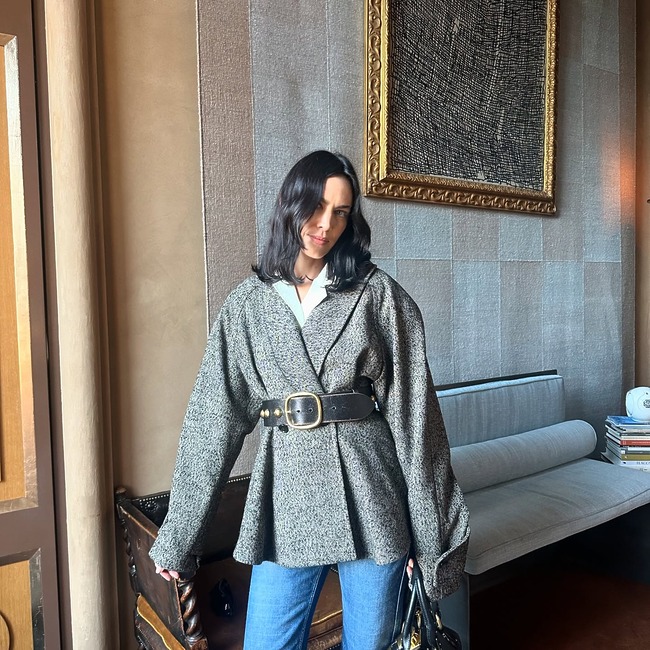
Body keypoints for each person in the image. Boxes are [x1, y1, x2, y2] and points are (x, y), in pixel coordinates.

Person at [149, 150, 470, 650]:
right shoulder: (247, 307)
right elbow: (212, 422)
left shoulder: (379, 296)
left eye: (340, 212)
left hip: (374, 497)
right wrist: (180, 535)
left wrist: (432, 543)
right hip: (287, 500)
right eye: (316, 207)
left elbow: (417, 424)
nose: (326, 225)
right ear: (290, 204)